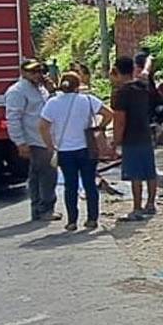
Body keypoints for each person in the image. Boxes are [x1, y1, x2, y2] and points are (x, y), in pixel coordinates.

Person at [39, 72, 112, 231]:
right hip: (87, 149)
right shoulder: (88, 100)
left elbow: (43, 126)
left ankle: (72, 221)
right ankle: (92, 219)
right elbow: (108, 114)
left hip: (65, 151)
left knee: (70, 186)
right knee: (90, 184)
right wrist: (99, 127)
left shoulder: (52, 103)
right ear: (78, 86)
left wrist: (50, 145)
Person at [5, 59, 57, 221]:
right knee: (47, 174)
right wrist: (20, 142)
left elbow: (51, 109)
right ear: (23, 72)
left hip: (45, 138)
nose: (37, 74)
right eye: (32, 71)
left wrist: (52, 91)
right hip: (34, 139)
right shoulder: (17, 91)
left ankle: (39, 209)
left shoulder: (41, 89)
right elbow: (13, 118)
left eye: (40, 71)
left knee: (38, 175)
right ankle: (44, 208)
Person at [110, 56, 158, 221]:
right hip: (146, 133)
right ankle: (150, 204)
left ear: (116, 72)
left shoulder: (121, 93)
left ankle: (137, 208)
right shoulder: (142, 85)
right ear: (132, 70)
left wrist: (115, 142)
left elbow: (120, 121)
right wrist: (148, 60)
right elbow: (146, 71)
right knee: (150, 171)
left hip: (130, 138)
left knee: (135, 174)